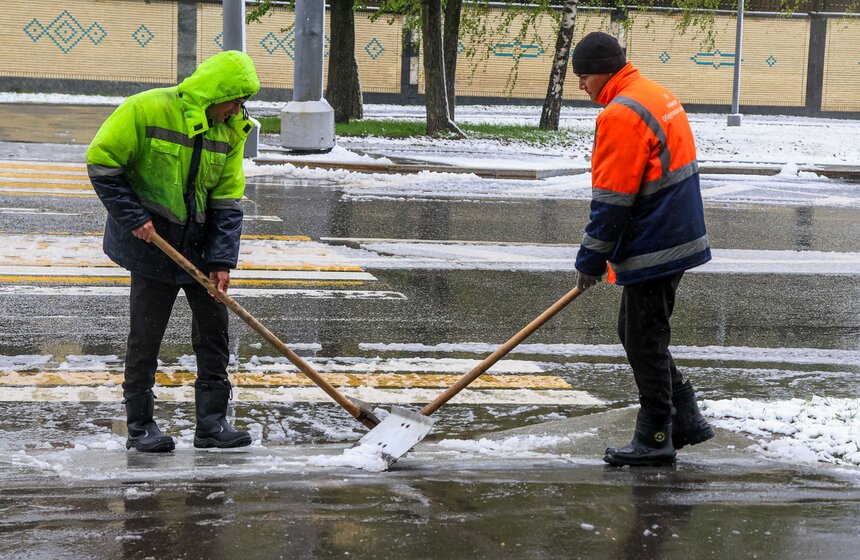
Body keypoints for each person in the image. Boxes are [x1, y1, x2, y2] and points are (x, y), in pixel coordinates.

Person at [86, 51, 261, 452]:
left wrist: (221, 261)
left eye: (242, 102)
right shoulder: (146, 109)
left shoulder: (231, 130)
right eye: (234, 99)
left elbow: (227, 199)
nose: (238, 108)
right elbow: (101, 161)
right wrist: (134, 217)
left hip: (199, 244)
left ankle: (212, 425)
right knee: (146, 337)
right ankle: (140, 427)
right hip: (150, 242)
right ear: (215, 93)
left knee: (215, 334)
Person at [571, 32, 714, 467]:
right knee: (637, 334)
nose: (581, 85)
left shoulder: (622, 114)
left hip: (657, 242)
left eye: (584, 76)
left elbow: (613, 198)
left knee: (643, 340)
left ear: (604, 72)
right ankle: (685, 417)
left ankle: (655, 436)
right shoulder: (653, 93)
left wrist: (590, 259)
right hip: (675, 230)